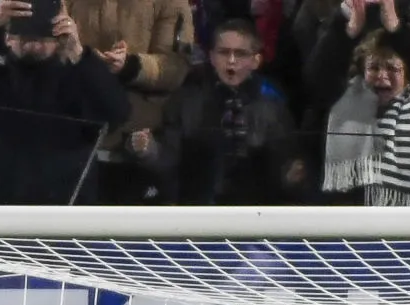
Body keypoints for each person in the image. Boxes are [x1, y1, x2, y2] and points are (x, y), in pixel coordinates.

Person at [0, 0, 132, 205]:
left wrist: (79, 53)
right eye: (24, 31)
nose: (35, 41)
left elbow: (117, 113)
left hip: (63, 210)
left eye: (43, 32)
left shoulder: (79, 76)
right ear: (8, 37)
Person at [127, 20, 305, 205]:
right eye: (224, 52)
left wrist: (291, 175)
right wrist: (149, 150)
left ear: (255, 61)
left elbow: (285, 161)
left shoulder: (271, 103)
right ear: (211, 57)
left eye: (241, 54)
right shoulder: (188, 98)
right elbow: (170, 158)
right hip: (199, 208)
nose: (231, 60)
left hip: (256, 213)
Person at [306, 0, 410, 207]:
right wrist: (346, 28)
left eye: (392, 69)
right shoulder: (344, 100)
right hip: (350, 222)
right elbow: (315, 80)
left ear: (407, 75)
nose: (382, 77)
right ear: (362, 70)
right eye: (374, 68)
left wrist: (397, 29)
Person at [69, 0, 194, 202]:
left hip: (135, 146)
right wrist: (82, 59)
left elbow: (176, 67)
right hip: (75, 139)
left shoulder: (171, 3)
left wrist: (130, 65)